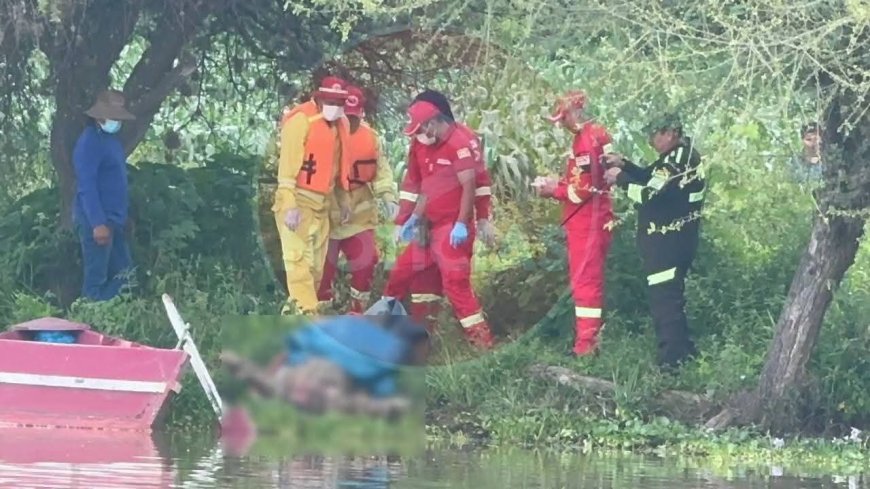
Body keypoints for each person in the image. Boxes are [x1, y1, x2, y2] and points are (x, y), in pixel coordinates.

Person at [382, 99, 495, 349]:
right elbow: (426, 188)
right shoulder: (428, 145)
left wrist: (463, 223)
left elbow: (470, 186)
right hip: (428, 226)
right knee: (401, 273)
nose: (419, 137)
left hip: (451, 228)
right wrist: (412, 217)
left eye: (421, 129)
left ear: (433, 123)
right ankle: (382, 328)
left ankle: (482, 343)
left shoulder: (459, 143)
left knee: (455, 285)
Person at [602, 112, 706, 369]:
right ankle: (684, 351)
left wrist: (620, 179)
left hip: (668, 241)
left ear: (671, 133)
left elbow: (650, 194)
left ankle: (672, 360)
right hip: (667, 240)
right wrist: (625, 165)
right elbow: (651, 177)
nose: (650, 140)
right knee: (669, 296)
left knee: (665, 299)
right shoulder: (675, 157)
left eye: (655, 134)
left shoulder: (678, 159)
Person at [532, 90, 615, 356]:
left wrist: (552, 190)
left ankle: (586, 346)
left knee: (585, 283)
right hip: (594, 218)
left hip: (587, 222)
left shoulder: (585, 141)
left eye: (564, 118)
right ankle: (590, 340)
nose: (563, 125)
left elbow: (582, 192)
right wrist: (560, 183)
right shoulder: (596, 133)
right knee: (588, 281)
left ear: (574, 113)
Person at [272, 75, 353, 315]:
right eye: (331, 102)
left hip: (322, 206)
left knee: (316, 269)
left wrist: (344, 200)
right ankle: (309, 319)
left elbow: (337, 168)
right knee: (298, 266)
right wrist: (290, 205)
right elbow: (286, 173)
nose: (335, 107)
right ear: (319, 98)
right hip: (298, 203)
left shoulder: (340, 125)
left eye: (340, 103)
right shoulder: (300, 122)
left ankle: (292, 318)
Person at [317, 84, 398, 313]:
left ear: (361, 113)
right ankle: (321, 314)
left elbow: (382, 171)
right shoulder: (322, 135)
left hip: (359, 217)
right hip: (327, 217)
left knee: (367, 260)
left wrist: (388, 197)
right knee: (322, 270)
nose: (349, 122)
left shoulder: (371, 138)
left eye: (354, 116)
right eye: (346, 116)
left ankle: (356, 310)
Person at [72, 89, 136, 301]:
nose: (117, 122)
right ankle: (91, 314)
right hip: (97, 222)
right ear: (99, 117)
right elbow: (87, 186)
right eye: (114, 117)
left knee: (126, 276)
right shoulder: (89, 142)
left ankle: (107, 314)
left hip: (113, 220)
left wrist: (121, 216)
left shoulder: (111, 140)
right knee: (96, 280)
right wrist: (97, 223)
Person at [788, 122, 824, 186]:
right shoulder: (795, 162)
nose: (813, 143)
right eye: (809, 139)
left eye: (816, 139)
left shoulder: (829, 160)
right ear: (802, 141)